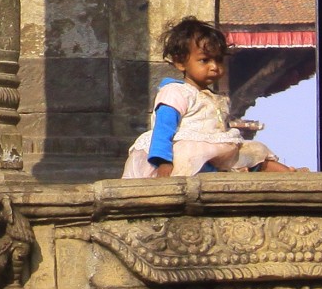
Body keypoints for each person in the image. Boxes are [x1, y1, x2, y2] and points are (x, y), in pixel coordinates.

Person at [122, 16, 302, 178]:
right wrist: (163, 163)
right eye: (205, 60)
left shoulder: (217, 98)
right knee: (190, 158)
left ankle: (288, 174)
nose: (214, 67)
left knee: (255, 150)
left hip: (219, 150)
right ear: (180, 62)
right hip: (187, 151)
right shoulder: (176, 92)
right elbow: (163, 129)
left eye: (219, 60)